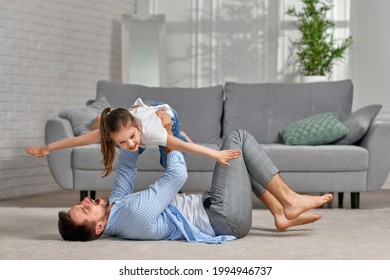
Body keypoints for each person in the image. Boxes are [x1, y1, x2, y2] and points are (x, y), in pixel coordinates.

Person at [58, 129, 333, 243]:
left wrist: (132, 133)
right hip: (224, 219)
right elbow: (177, 175)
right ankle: (289, 200)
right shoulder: (132, 216)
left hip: (215, 209)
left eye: (79, 204)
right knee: (238, 139)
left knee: (237, 163)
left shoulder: (116, 209)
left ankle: (280, 214)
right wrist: (168, 137)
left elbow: (127, 168)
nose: (85, 202)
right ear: (98, 227)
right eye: (83, 210)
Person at [25, 98, 241, 177]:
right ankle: (144, 113)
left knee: (168, 158)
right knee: (131, 151)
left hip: (164, 115)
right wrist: (48, 148)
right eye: (121, 142)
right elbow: (77, 141)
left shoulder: (152, 131)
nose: (129, 144)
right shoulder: (115, 131)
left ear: (136, 127)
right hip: (141, 110)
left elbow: (190, 148)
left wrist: (216, 153)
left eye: (131, 137)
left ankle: (180, 132)